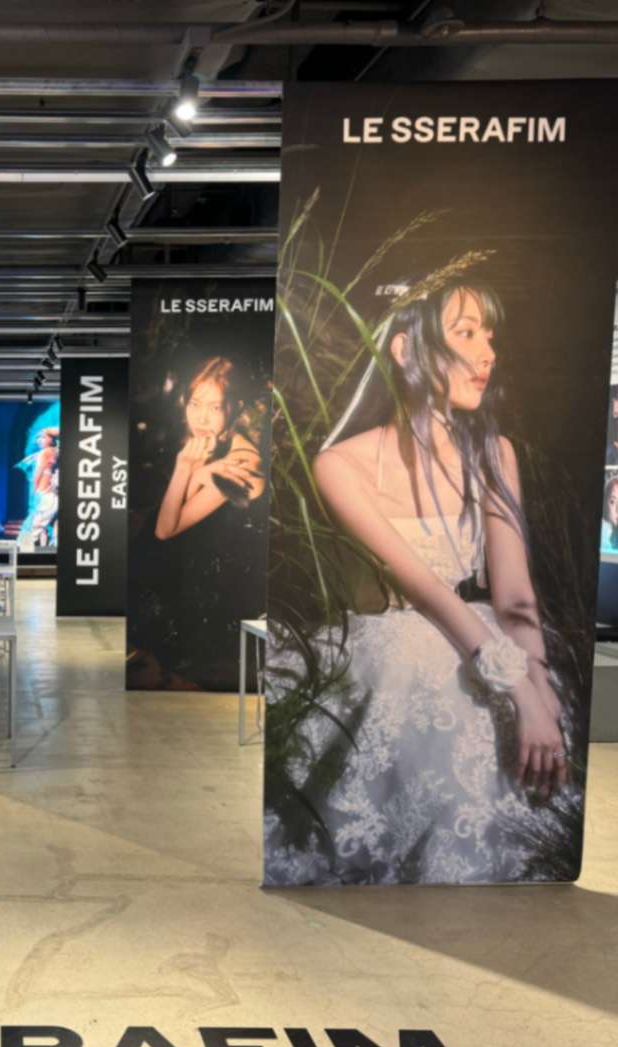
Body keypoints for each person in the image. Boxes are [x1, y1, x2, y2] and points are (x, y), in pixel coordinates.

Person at [265, 280, 573, 887]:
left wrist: (539, 686)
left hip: (485, 641)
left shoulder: (495, 453)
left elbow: (515, 596)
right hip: (390, 655)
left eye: (490, 336)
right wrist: (518, 687)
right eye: (466, 333)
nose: (488, 354)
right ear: (406, 349)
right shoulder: (341, 464)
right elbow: (429, 592)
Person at [154, 356, 264, 541]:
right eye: (195, 404)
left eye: (215, 408)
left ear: (235, 408)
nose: (201, 419)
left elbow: (164, 532)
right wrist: (197, 475)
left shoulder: (238, 464)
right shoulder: (213, 443)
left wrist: (183, 468)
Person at [16, 425, 60, 551]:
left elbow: (37, 476)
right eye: (38, 438)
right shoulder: (56, 451)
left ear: (51, 439)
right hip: (49, 496)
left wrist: (34, 494)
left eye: (43, 437)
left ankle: (22, 556)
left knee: (30, 530)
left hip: (44, 497)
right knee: (46, 529)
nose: (39, 440)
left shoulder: (46, 452)